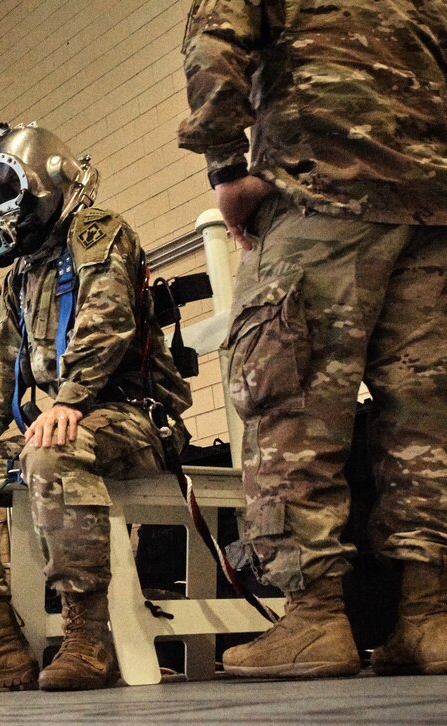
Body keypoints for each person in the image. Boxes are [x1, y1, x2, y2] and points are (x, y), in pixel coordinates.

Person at [178, 0, 447, 678]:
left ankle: (316, 617)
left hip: (318, 191)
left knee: (290, 402)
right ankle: (430, 615)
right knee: (427, 422)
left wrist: (225, 171)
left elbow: (214, 50)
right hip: (432, 205)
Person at [0, 122, 192, 695]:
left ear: (48, 183)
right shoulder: (21, 276)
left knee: (50, 453)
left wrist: (68, 399)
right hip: (68, 419)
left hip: (134, 418)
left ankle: (88, 640)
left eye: (3, 194)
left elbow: (108, 320)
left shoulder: (100, 233)